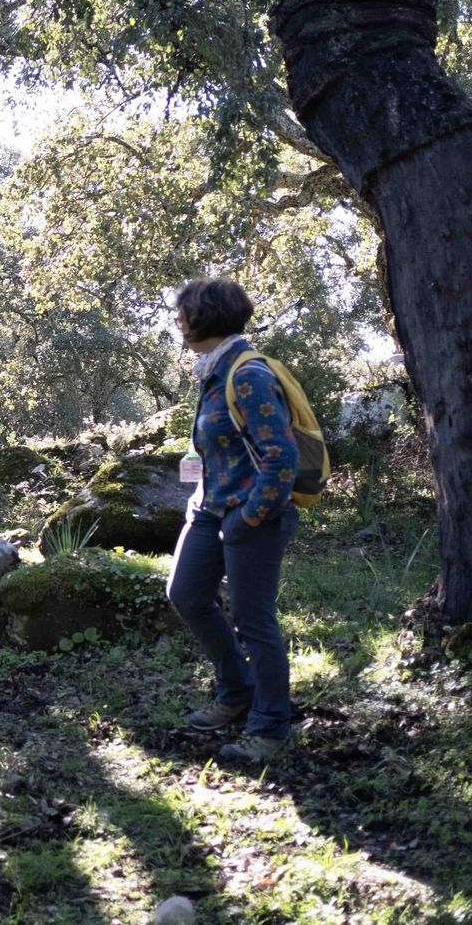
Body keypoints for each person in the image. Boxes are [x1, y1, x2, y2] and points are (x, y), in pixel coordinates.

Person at [167, 277, 300, 763]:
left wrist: (249, 518)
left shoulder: (248, 375)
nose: (177, 322)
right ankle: (237, 688)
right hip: (210, 511)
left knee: (253, 619)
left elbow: (281, 459)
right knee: (185, 595)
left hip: (252, 517)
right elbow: (215, 448)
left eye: (182, 313)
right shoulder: (215, 370)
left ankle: (270, 725)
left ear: (205, 317)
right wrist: (201, 496)